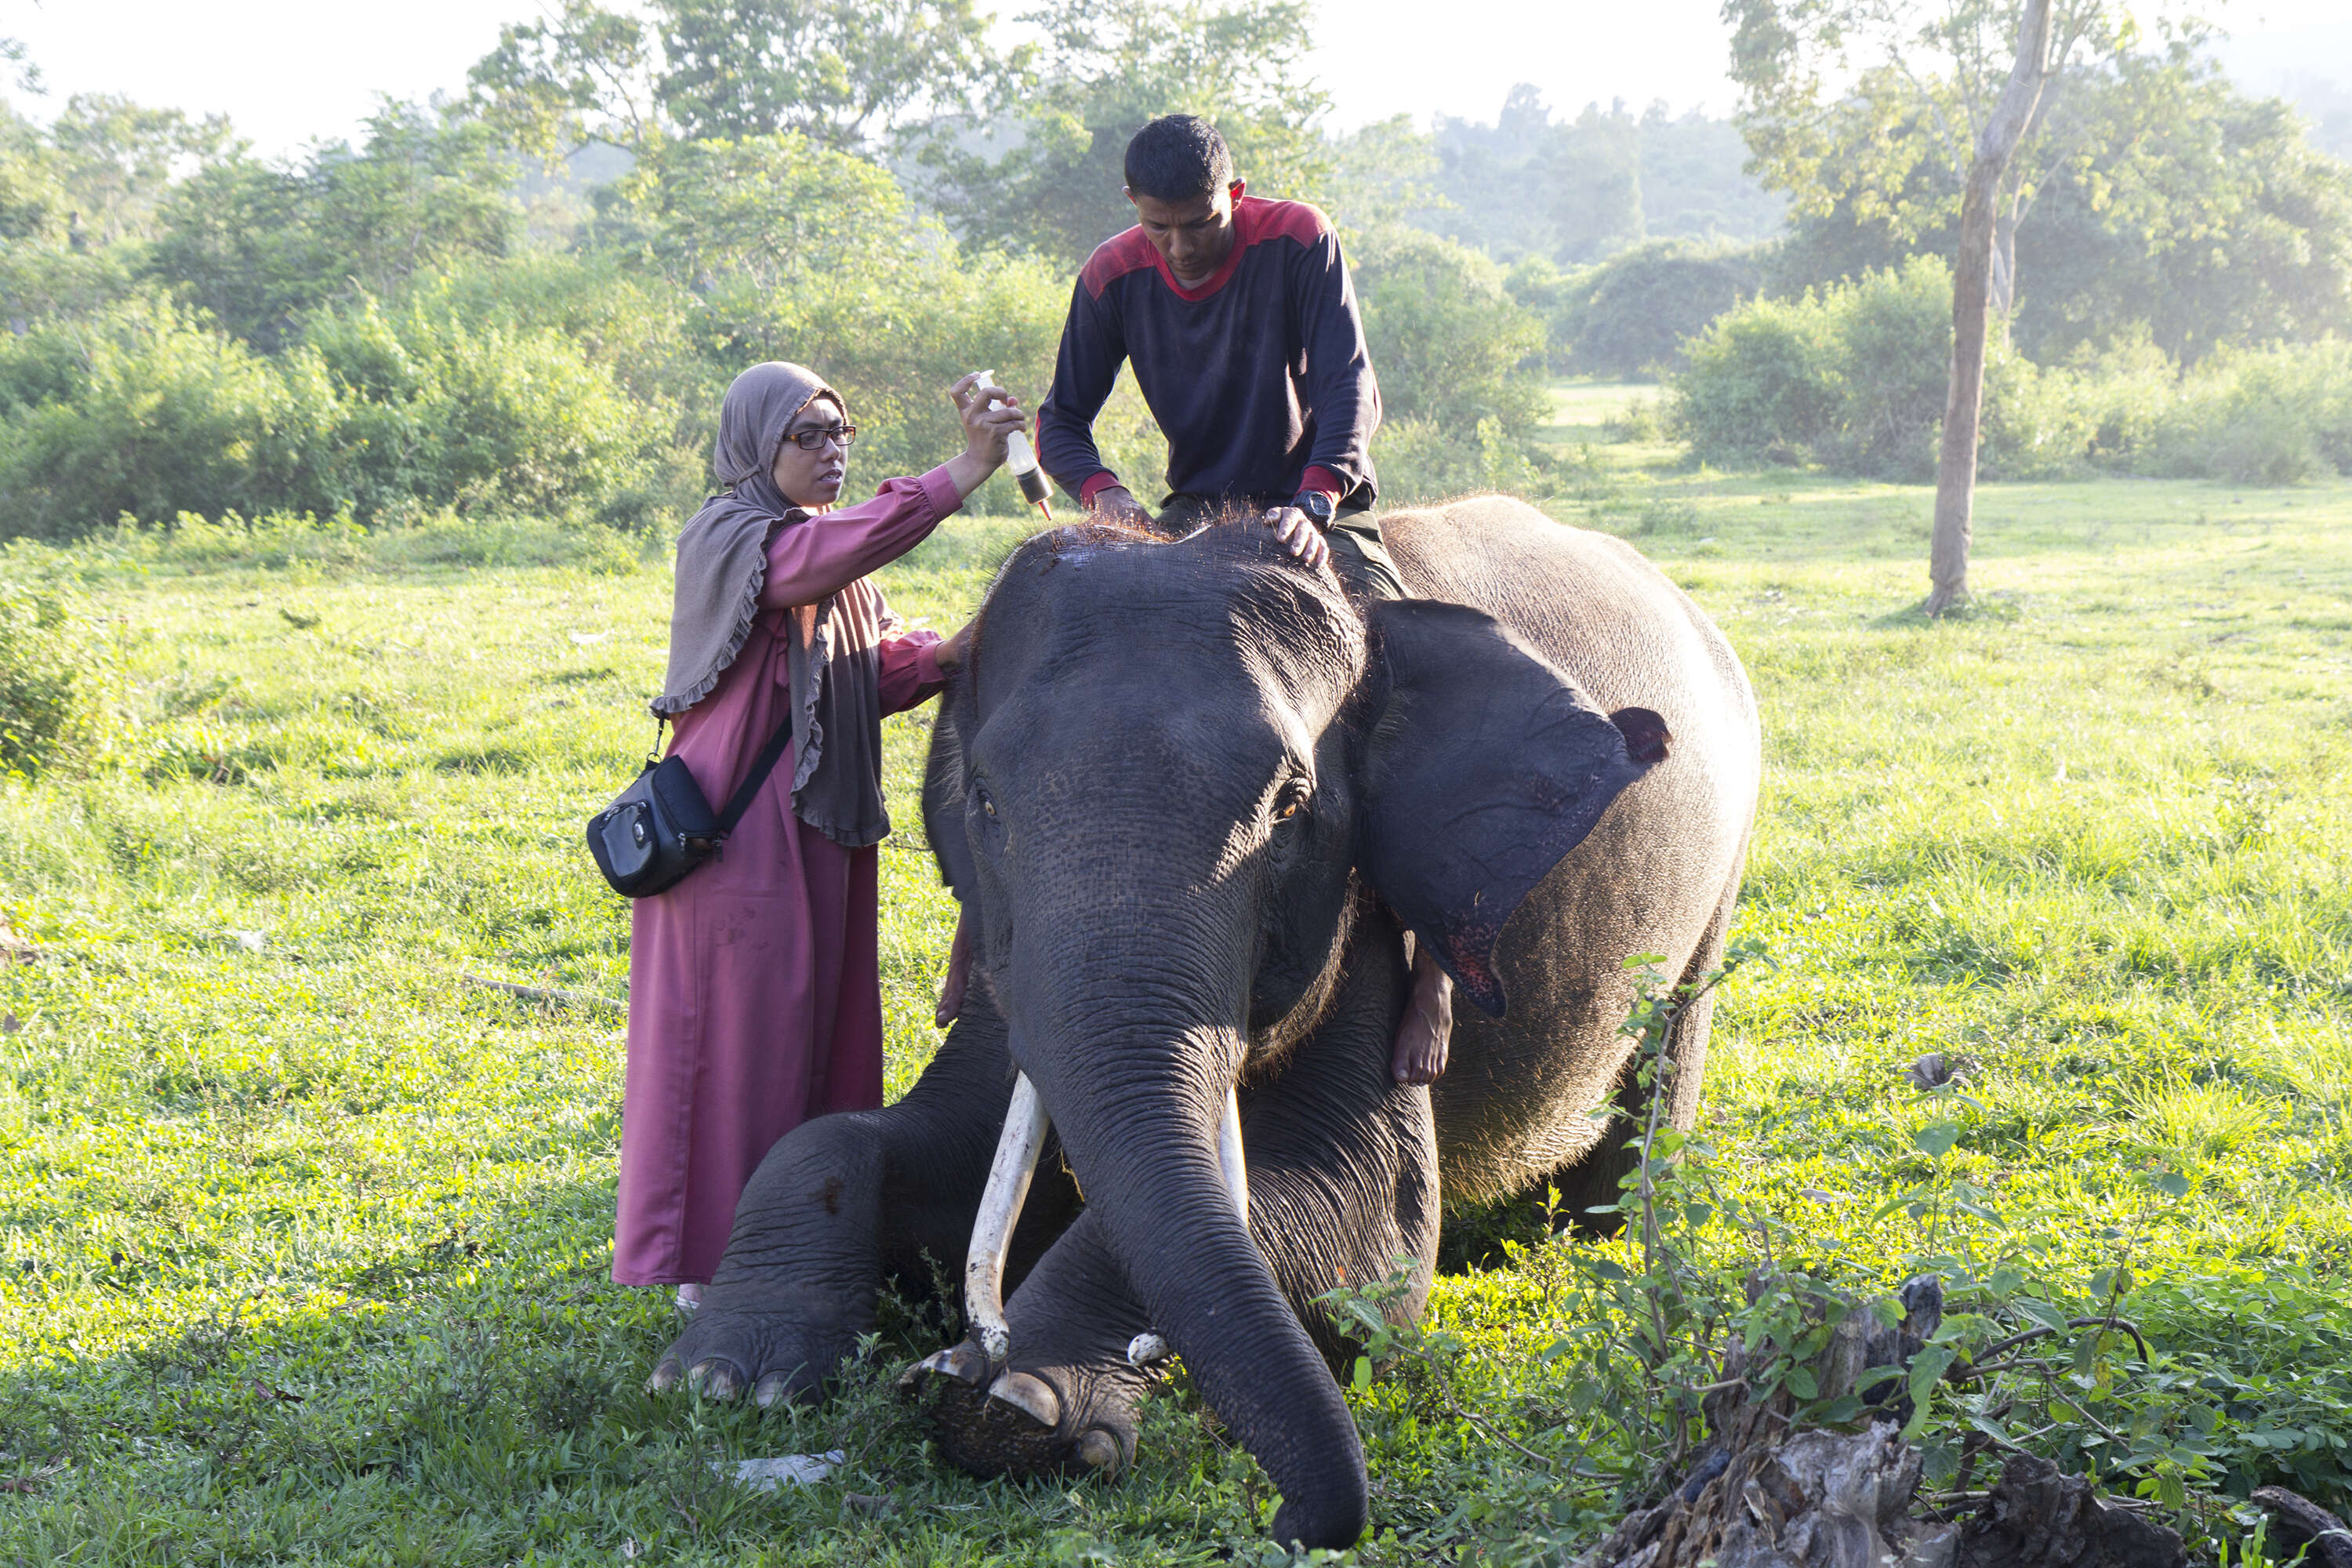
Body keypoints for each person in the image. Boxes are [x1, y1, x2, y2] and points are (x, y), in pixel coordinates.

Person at [975, 113, 1450, 1087]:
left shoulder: (1299, 238)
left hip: (1318, 501)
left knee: (1407, 689)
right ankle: (980, 944)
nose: (1182, 248)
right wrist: (1105, 497)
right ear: (1133, 213)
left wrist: (1317, 501)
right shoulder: (1114, 273)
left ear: (1235, 195)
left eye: (1199, 223)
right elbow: (1063, 419)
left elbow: (1349, 386)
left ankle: (1433, 967)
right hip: (1195, 507)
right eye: (1162, 228)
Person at [616, 362, 1027, 1310]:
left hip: (819, 832)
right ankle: (713, 1266)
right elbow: (826, 559)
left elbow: (876, 671)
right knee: (740, 1047)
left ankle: (808, 1232)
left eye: (841, 431)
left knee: (823, 1037)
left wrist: (965, 642)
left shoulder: (823, 556)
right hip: (739, 842)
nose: (833, 450)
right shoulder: (734, 536)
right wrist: (964, 469)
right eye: (808, 434)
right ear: (757, 444)